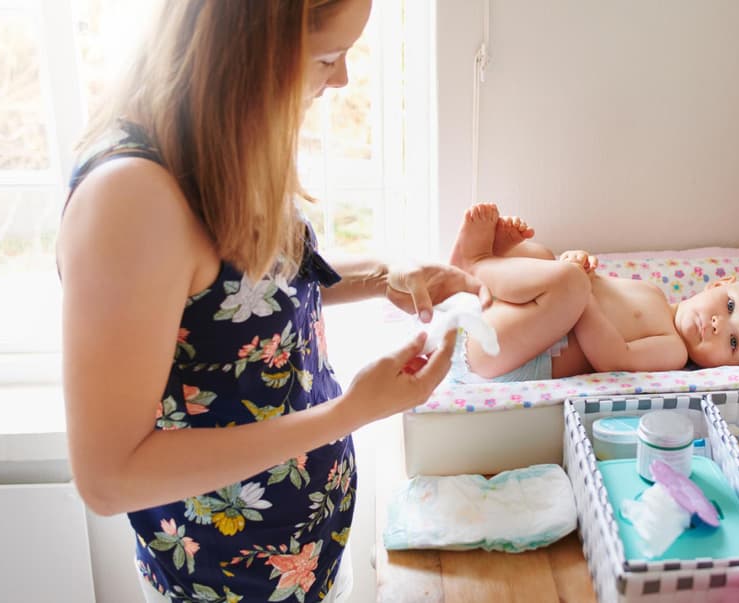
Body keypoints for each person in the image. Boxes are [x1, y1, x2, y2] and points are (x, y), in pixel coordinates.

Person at [57, 2, 483, 602]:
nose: (341, 80)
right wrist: (349, 414)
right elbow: (109, 477)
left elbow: (252, 292)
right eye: (328, 57)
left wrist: (386, 273)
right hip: (227, 586)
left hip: (306, 563)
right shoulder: (129, 201)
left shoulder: (217, 140)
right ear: (246, 50)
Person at [446, 204, 739, 383]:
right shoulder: (652, 292)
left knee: (567, 283)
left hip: (513, 357)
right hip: (509, 319)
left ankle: (477, 264)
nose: (719, 324)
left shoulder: (672, 350)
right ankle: (489, 268)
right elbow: (595, 285)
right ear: (718, 285)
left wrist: (580, 291)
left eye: (733, 343)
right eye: (730, 307)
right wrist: (580, 265)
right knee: (545, 258)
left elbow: (612, 357)